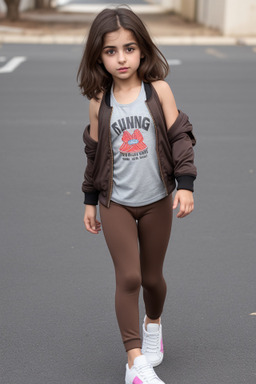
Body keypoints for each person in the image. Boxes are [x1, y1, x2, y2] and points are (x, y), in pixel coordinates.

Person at [77, 7, 197, 384]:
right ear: (99, 55)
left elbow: (180, 136)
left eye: (129, 48)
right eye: (111, 51)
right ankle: (134, 362)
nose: (121, 58)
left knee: (151, 279)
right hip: (116, 203)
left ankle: (154, 323)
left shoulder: (157, 90)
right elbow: (94, 154)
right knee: (127, 277)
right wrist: (90, 200)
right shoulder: (100, 101)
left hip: (157, 199)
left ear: (142, 49)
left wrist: (186, 184)